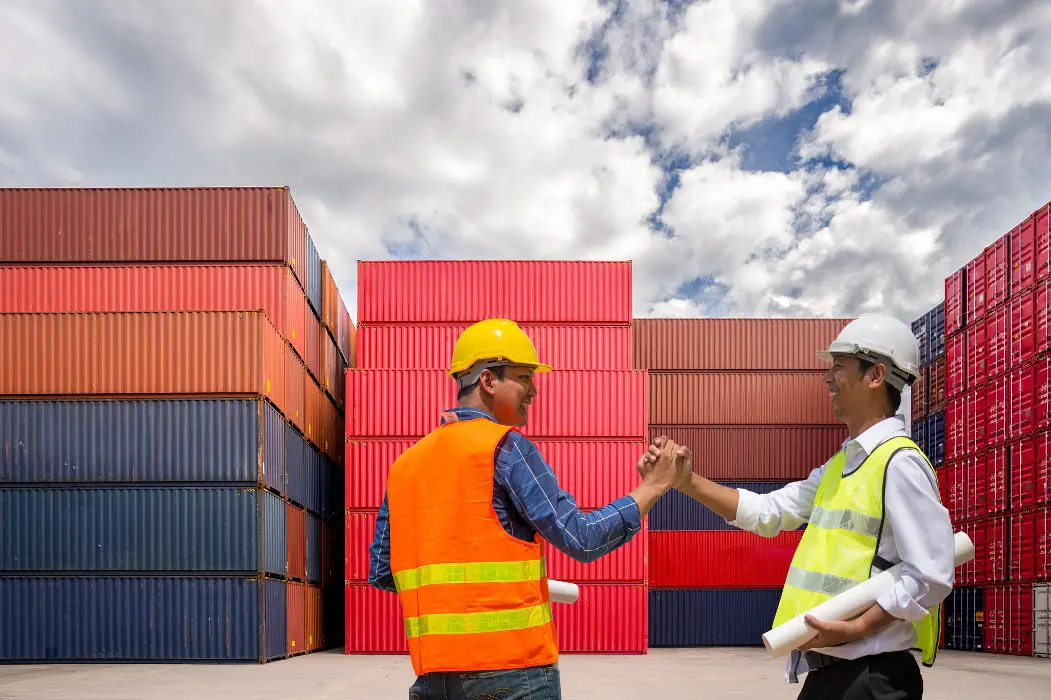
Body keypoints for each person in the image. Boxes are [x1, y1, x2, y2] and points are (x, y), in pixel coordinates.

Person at [368, 318, 689, 699]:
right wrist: (652, 487)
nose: (533, 391)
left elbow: (384, 573)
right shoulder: (505, 447)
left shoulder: (404, 466)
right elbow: (582, 538)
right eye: (524, 378)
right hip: (511, 677)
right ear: (488, 381)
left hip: (433, 680)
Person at [647, 313, 955, 700]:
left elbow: (932, 575)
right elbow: (767, 512)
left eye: (838, 367)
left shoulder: (899, 463)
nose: (827, 379)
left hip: (872, 677)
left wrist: (858, 629)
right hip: (835, 674)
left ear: (875, 375)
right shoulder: (840, 466)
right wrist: (686, 481)